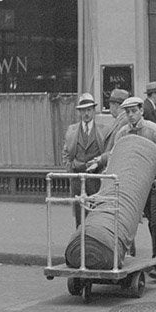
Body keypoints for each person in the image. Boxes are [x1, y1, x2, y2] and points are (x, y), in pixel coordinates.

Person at [100, 95, 156, 278]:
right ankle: (129, 254)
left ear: (141, 111)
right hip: (132, 184)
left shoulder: (153, 130)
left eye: (134, 111)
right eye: (128, 112)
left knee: (155, 220)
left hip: (155, 182)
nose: (131, 115)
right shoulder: (123, 133)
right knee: (127, 217)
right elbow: (114, 154)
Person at [62, 92, 115, 226]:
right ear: (79, 112)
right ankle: (80, 243)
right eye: (83, 110)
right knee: (79, 215)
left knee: (96, 213)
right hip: (77, 178)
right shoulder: (71, 130)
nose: (86, 113)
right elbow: (66, 153)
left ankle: (93, 242)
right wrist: (70, 169)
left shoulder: (104, 131)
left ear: (94, 111)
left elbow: (110, 152)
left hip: (96, 178)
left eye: (89, 110)